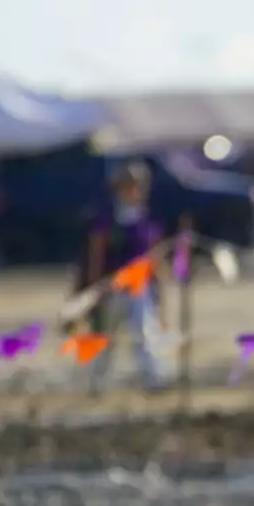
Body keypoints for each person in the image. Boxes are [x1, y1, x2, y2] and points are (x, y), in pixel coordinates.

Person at [82, 161, 167, 392]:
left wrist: (158, 288)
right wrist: (95, 287)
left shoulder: (147, 220)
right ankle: (95, 382)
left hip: (140, 287)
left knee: (144, 333)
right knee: (104, 336)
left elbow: (153, 257)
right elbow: (96, 255)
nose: (133, 190)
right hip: (112, 286)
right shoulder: (106, 218)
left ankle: (153, 379)